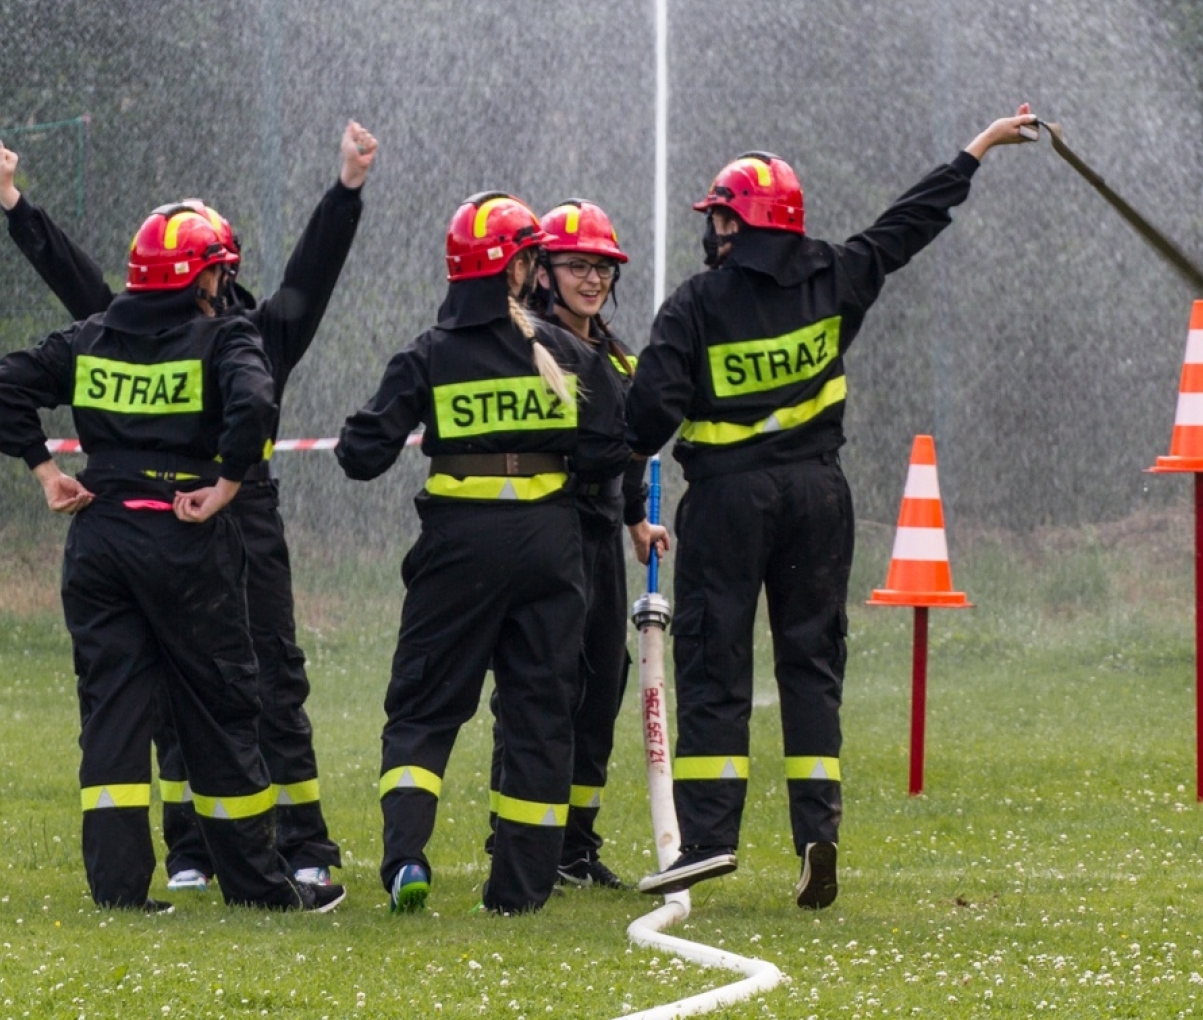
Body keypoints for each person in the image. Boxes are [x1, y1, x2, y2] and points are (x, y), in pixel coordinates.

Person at [627, 105, 1041, 909]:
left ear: (735, 223)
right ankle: (818, 833)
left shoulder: (695, 306)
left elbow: (648, 419)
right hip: (821, 496)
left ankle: (709, 838)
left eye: (717, 217)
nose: (711, 231)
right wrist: (978, 147)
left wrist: (629, 405)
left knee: (717, 661)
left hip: (728, 500)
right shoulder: (837, 275)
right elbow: (908, 224)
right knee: (811, 666)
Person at [0, 123, 376, 890]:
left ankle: (302, 843)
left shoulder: (254, 333)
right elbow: (79, 284)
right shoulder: (145, 328)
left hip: (241, 524)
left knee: (269, 681)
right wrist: (16, 208)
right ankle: (195, 851)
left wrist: (345, 191)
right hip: (188, 524)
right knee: (184, 692)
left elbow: (314, 270)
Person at [335, 192, 629, 915]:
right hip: (550, 552)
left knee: (423, 709)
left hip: (458, 549)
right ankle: (519, 892)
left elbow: (360, 455)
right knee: (540, 711)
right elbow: (610, 444)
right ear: (523, 266)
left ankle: (405, 856)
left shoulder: (429, 354)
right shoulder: (570, 354)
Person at [485, 200, 669, 890]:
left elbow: (618, 452)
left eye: (602, 268)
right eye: (576, 266)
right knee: (539, 685)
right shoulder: (527, 343)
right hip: (548, 532)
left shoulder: (612, 352)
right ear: (543, 272)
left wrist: (634, 522)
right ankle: (517, 835)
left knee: (601, 682)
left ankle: (574, 845)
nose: (592, 279)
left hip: (597, 534)